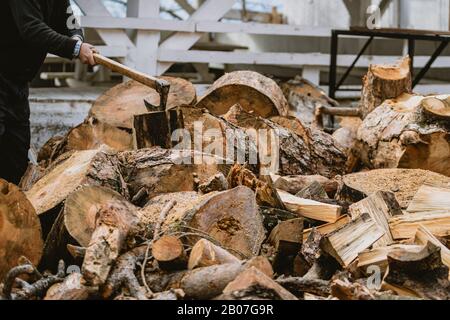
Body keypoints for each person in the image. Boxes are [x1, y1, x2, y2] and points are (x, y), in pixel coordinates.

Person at [0, 0, 97, 184]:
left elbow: (70, 22)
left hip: (18, 82)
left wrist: (77, 39)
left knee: (16, 154)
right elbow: (32, 28)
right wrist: (74, 49)